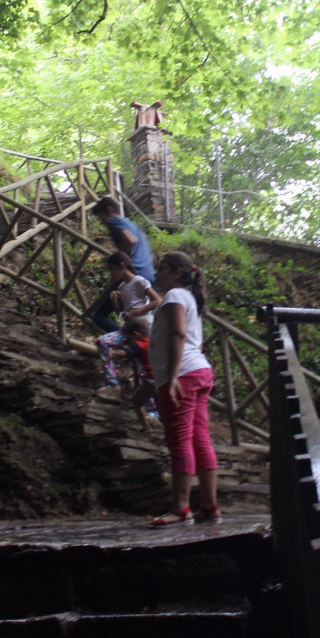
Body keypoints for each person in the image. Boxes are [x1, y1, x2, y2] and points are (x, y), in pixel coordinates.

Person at [146, 251, 220, 525]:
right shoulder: (188, 298)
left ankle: (181, 508)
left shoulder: (175, 296)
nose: (156, 274)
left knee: (180, 440)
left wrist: (173, 376)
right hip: (199, 371)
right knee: (200, 439)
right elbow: (195, 343)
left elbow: (178, 334)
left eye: (162, 268)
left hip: (183, 376)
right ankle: (210, 506)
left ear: (177, 273)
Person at [88, 197, 155, 334]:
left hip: (131, 275)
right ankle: (143, 345)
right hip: (149, 275)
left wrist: (119, 256)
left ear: (109, 210)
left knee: (99, 315)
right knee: (145, 322)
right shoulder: (133, 225)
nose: (102, 221)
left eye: (101, 216)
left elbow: (131, 240)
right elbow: (151, 255)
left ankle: (126, 338)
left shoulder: (113, 221)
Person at [96, 252, 160, 387]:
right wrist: (115, 303)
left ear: (121, 266)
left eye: (112, 270)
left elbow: (157, 301)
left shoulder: (140, 281)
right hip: (129, 331)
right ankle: (112, 382)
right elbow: (123, 314)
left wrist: (136, 312)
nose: (111, 274)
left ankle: (150, 402)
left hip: (145, 333)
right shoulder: (121, 287)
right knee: (102, 342)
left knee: (145, 368)